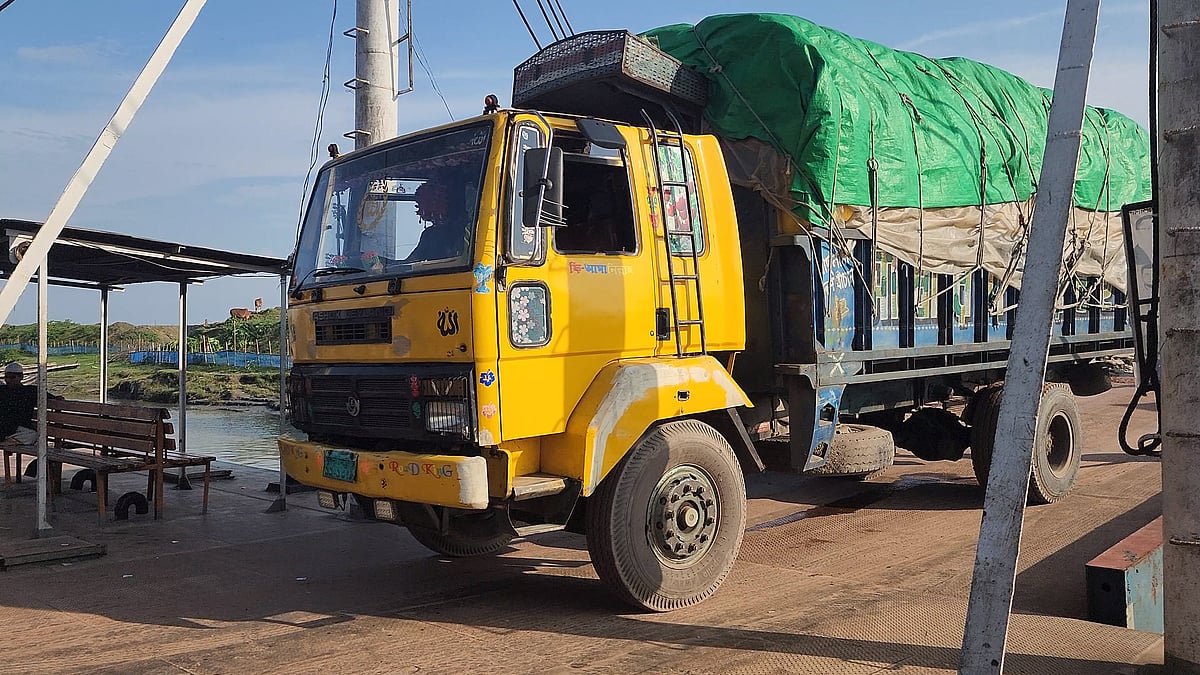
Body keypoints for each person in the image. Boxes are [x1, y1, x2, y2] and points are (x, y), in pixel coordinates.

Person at [404, 180, 465, 262]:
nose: (419, 211)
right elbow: (410, 262)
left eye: (420, 205)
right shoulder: (429, 234)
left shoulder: (431, 235)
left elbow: (411, 261)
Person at [0, 362, 38, 445]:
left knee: (33, 435)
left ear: (21, 377)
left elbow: (48, 396)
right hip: (4, 427)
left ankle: (8, 441)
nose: (8, 380)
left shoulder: (30, 391)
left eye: (12, 377)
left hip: (18, 429)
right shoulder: (2, 390)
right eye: (6, 377)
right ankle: (10, 441)